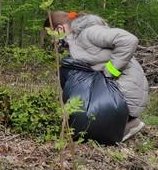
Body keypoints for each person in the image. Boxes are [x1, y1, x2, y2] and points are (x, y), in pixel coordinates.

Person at [46, 11, 149, 141]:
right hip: (116, 88)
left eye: (52, 35)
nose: (52, 40)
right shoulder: (75, 40)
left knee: (69, 71)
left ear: (60, 29)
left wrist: (109, 73)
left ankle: (123, 124)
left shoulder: (89, 32)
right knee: (67, 69)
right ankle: (117, 124)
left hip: (125, 89)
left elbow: (129, 40)